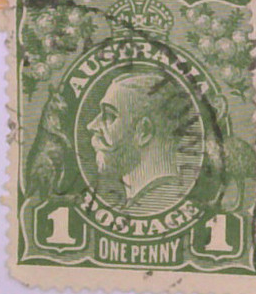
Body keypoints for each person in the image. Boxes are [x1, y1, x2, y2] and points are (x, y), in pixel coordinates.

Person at [86, 70, 201, 215]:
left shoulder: (155, 203)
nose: (91, 125)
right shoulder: (160, 202)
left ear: (144, 131)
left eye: (110, 115)